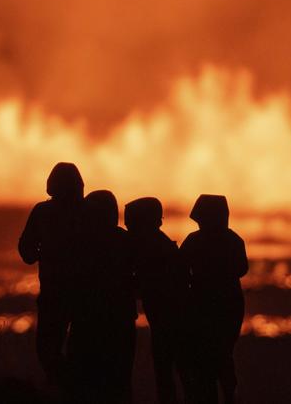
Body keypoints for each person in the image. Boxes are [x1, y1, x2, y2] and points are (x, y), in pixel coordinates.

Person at [18, 162, 85, 384]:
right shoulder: (88, 212)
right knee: (80, 353)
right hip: (85, 295)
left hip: (52, 293)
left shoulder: (42, 212)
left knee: (48, 351)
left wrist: (44, 252)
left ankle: (63, 388)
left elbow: (26, 251)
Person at [67, 190, 136, 403]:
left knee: (85, 379)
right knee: (118, 380)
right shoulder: (125, 240)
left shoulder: (79, 242)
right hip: (118, 320)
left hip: (88, 319)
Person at [180, 194, 247, 404]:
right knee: (223, 353)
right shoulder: (234, 239)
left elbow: (179, 268)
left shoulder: (194, 240)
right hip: (229, 303)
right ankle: (229, 394)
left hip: (205, 303)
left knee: (208, 356)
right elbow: (242, 268)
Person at [126, 197, 188, 404]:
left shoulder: (155, 249)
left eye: (132, 223)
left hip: (171, 320)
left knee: (171, 371)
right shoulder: (153, 245)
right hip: (165, 319)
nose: (129, 229)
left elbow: (147, 284)